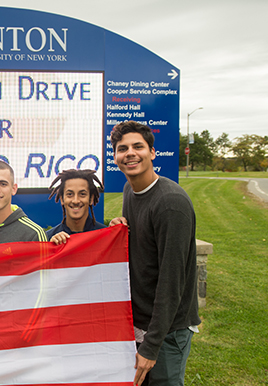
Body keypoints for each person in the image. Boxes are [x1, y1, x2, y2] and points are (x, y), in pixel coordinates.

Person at [109, 121, 200, 386]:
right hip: (139, 321)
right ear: (115, 156)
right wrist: (120, 230)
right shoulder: (130, 190)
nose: (130, 153)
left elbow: (172, 281)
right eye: (122, 148)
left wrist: (152, 346)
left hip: (168, 329)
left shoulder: (170, 203)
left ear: (152, 152)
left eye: (138, 146)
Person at [46, 169, 106, 244]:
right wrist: (50, 249)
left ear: (91, 199)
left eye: (82, 194)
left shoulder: (106, 237)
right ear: (62, 199)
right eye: (70, 194)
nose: (76, 201)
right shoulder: (48, 239)